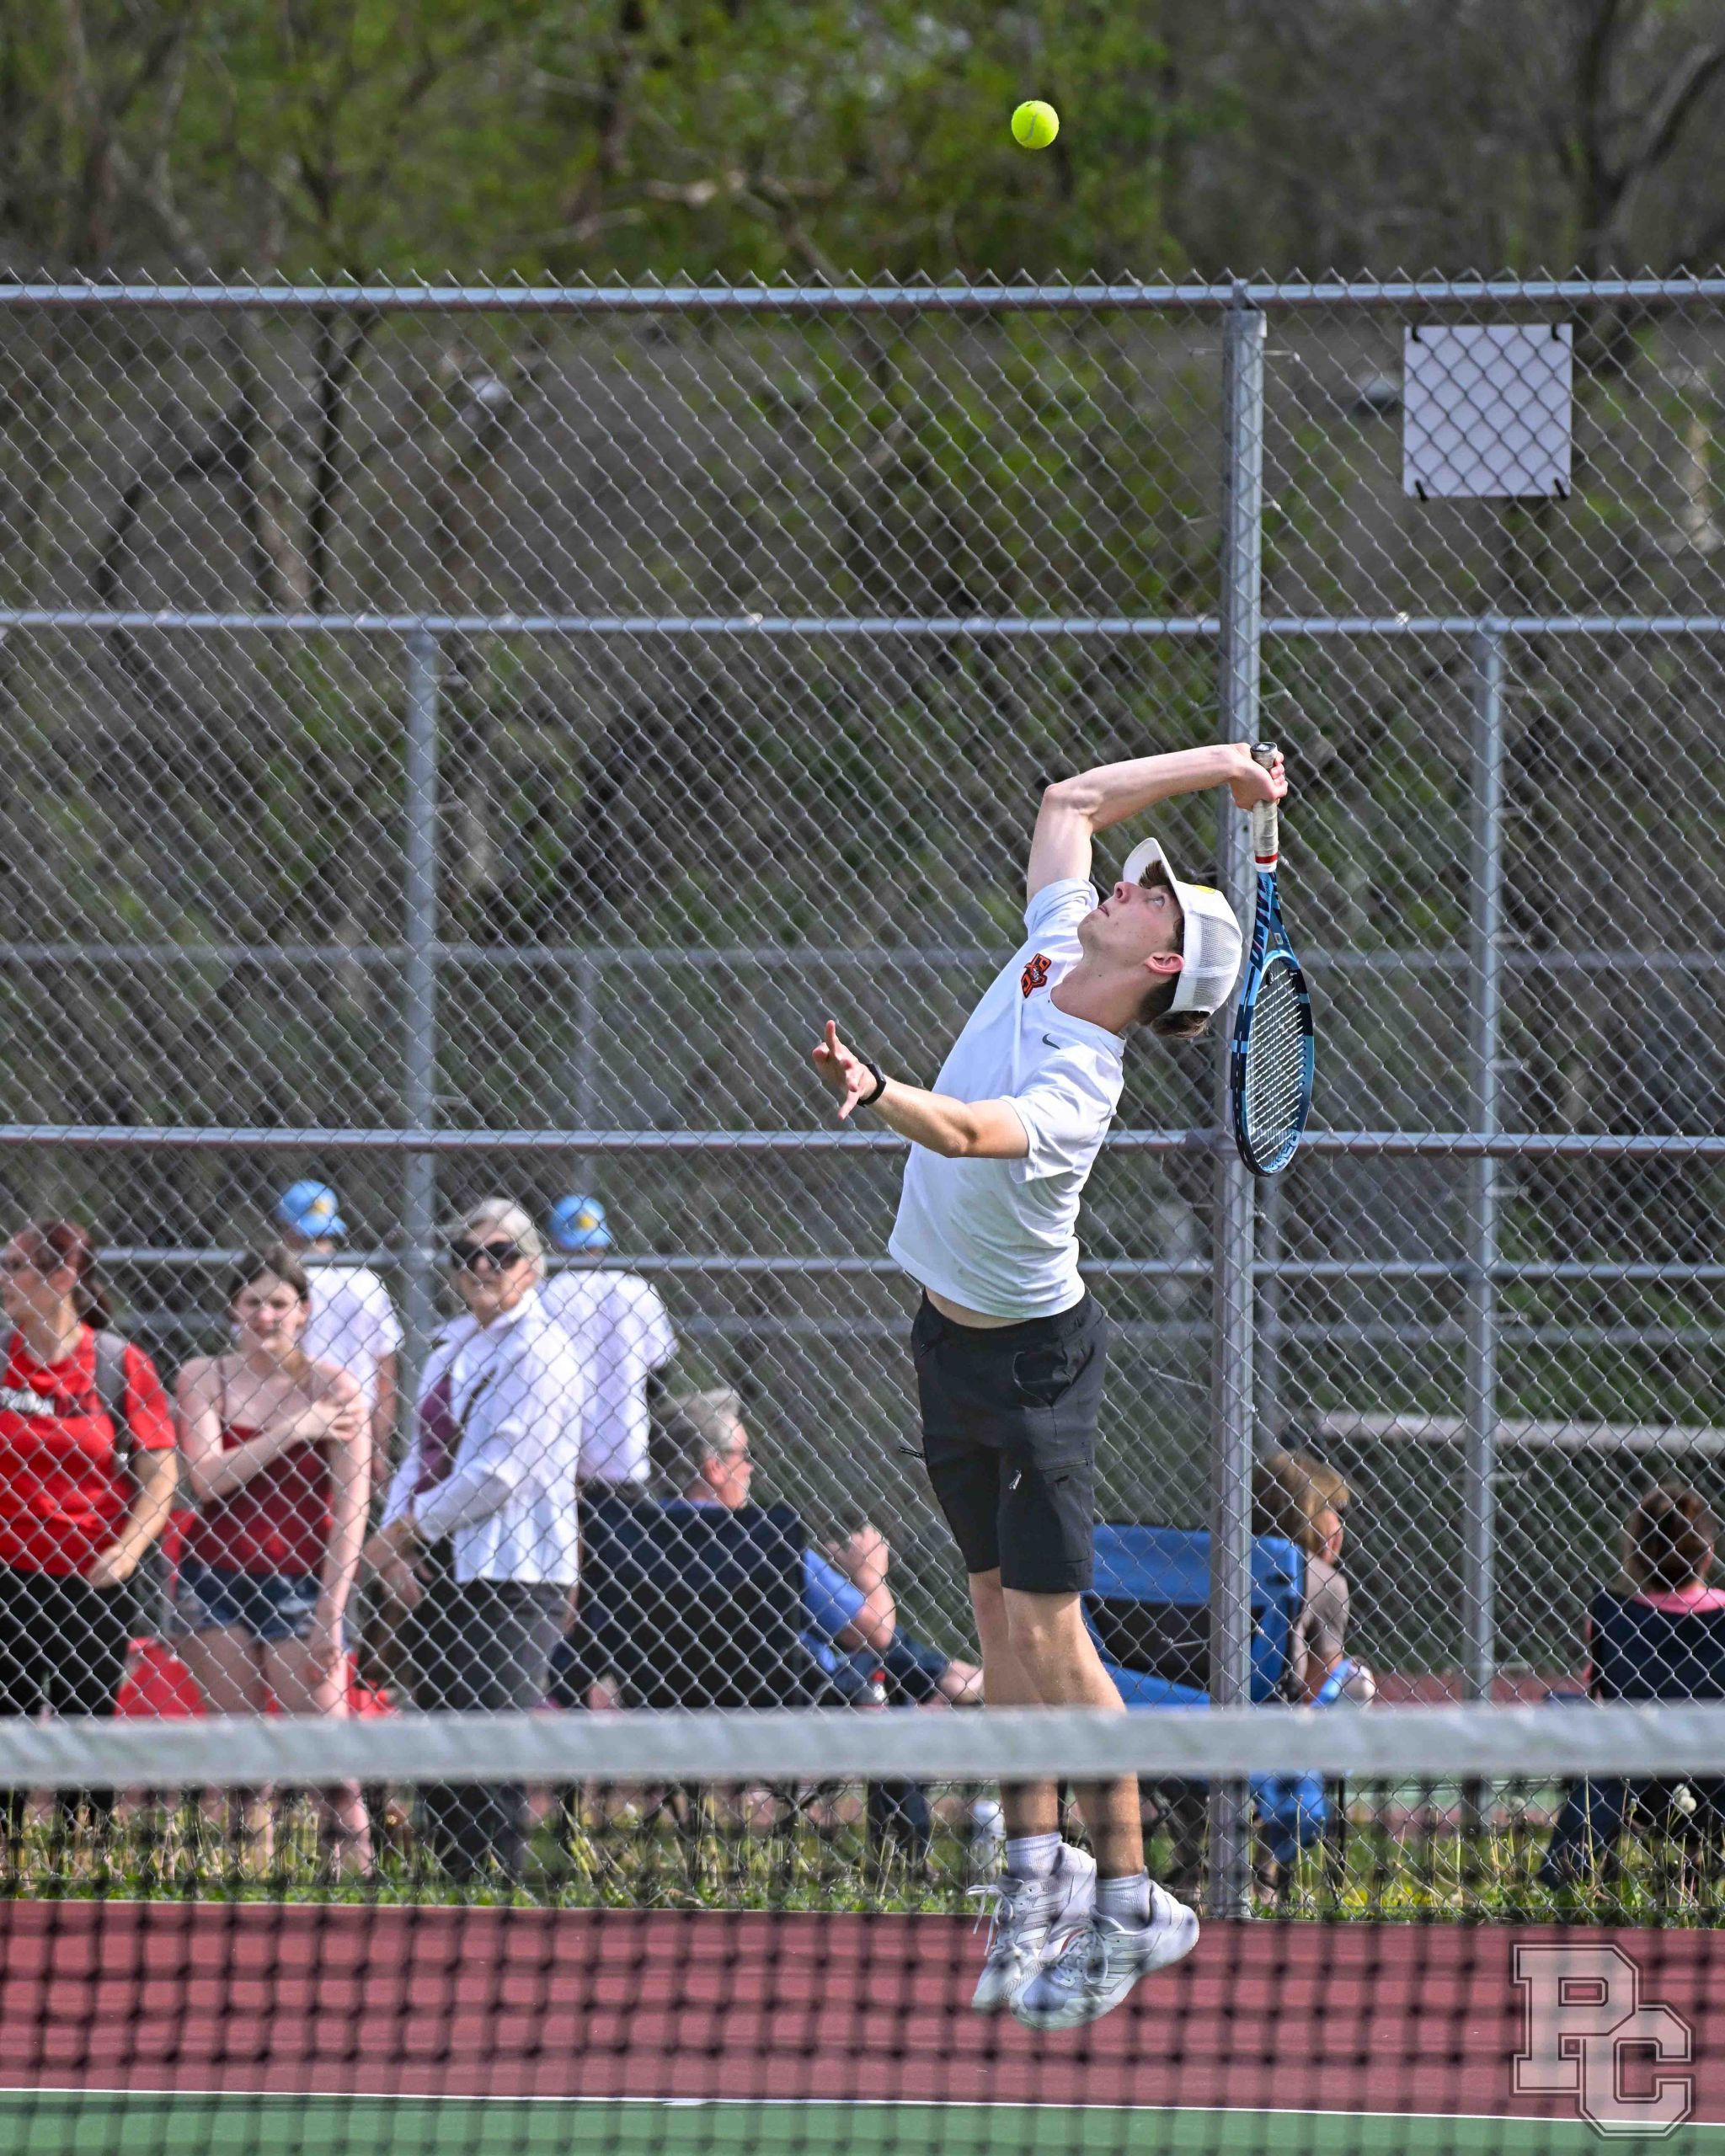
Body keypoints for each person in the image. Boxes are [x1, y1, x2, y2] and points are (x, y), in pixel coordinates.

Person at [813, 738, 1284, 2031]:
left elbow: (973, 1131)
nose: (1127, 885)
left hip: (1036, 1369)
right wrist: (1228, 769)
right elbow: (1069, 800)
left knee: (1050, 1636)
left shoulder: (1083, 1083)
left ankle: (1134, 1899)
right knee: (993, 1619)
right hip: (948, 1341)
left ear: (1162, 964)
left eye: (1150, 898)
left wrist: (879, 1089)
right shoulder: (1052, 940)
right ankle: (1035, 1871)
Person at [363, 1199, 587, 1881]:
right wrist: (394, 1550)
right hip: (439, 1566)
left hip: (514, 1573)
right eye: (467, 1254)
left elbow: (501, 1473)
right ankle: (453, 1893)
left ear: (533, 1267)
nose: (482, 1266)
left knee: (488, 1748)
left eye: (502, 1254)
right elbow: (418, 1455)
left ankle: (499, 1890)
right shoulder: (452, 1344)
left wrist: (405, 1532)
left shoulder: (543, 1351)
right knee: (438, 1747)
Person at [175, 1245, 372, 1869]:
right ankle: (244, 1887)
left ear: (304, 1310)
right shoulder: (203, 1376)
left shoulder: (334, 1387)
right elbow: (208, 1479)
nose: (266, 1316)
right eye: (253, 1302)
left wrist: (331, 1612)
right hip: (214, 1580)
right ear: (234, 1308)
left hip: (301, 1586)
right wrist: (295, 1429)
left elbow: (352, 1508)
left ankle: (360, 1884)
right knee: (241, 1766)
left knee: (329, 1761)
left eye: (280, 1303)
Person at [0, 1219, 179, 1853]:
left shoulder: (118, 1363)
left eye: (15, 1267)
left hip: (94, 1579)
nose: (3, 1278)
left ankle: (86, 1857)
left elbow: (161, 1474)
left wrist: (128, 1549)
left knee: (87, 1719)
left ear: (62, 1278)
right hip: (8, 1575)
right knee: (7, 1723)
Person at [1541, 1486, 1725, 1886]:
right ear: (1708, 1553)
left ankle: (1568, 1874)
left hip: (1634, 1787)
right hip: (1718, 1785)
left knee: (1571, 1710)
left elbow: (1599, 1693)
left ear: (1635, 1556)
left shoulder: (1610, 1614)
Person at [538, 1195, 676, 1492]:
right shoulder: (638, 1291)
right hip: (625, 1451)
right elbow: (658, 1375)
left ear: (555, 1243)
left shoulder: (543, 1296)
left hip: (559, 1456)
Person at [274, 1181, 402, 1466]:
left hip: (289, 1421)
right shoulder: (366, 1282)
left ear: (286, 1228)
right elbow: (385, 1374)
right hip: (356, 1418)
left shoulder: (277, 1289)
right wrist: (380, 1447)